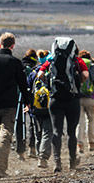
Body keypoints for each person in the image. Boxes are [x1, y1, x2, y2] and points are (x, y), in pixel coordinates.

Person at [0, 32, 31, 177]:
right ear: (12, 46)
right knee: (6, 133)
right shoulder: (15, 62)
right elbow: (23, 84)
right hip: (10, 104)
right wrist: (27, 101)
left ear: (0, 44)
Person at [36, 37, 89, 172]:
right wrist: (78, 83)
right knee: (71, 132)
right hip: (72, 99)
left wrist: (49, 84)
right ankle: (72, 161)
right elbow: (86, 75)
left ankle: (57, 162)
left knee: (56, 131)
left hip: (55, 99)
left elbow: (40, 74)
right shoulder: (77, 60)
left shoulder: (51, 59)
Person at [76, 50, 94, 153]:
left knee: (80, 121)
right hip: (91, 98)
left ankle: (80, 145)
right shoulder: (92, 66)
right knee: (91, 120)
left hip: (78, 98)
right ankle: (92, 143)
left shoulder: (77, 65)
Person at [27, 65, 53, 168]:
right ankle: (43, 157)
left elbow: (27, 91)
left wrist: (29, 107)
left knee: (38, 134)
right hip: (49, 110)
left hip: (36, 110)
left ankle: (40, 157)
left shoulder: (32, 75)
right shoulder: (52, 74)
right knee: (47, 133)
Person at [20, 48, 40, 157]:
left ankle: (21, 150)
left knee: (19, 123)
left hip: (18, 98)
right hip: (29, 98)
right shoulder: (31, 68)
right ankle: (32, 148)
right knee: (32, 123)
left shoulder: (20, 64)